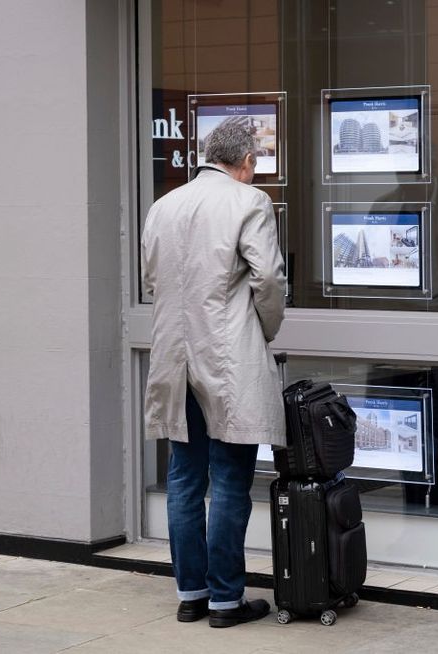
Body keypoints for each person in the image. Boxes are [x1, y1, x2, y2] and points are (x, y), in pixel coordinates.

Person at [140, 121, 286, 628]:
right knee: (229, 478)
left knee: (184, 477)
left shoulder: (163, 205)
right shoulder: (250, 202)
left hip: (173, 355)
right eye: (255, 165)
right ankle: (226, 600)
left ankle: (191, 594)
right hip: (227, 356)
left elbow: (152, 279)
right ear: (246, 161)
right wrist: (265, 329)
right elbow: (268, 279)